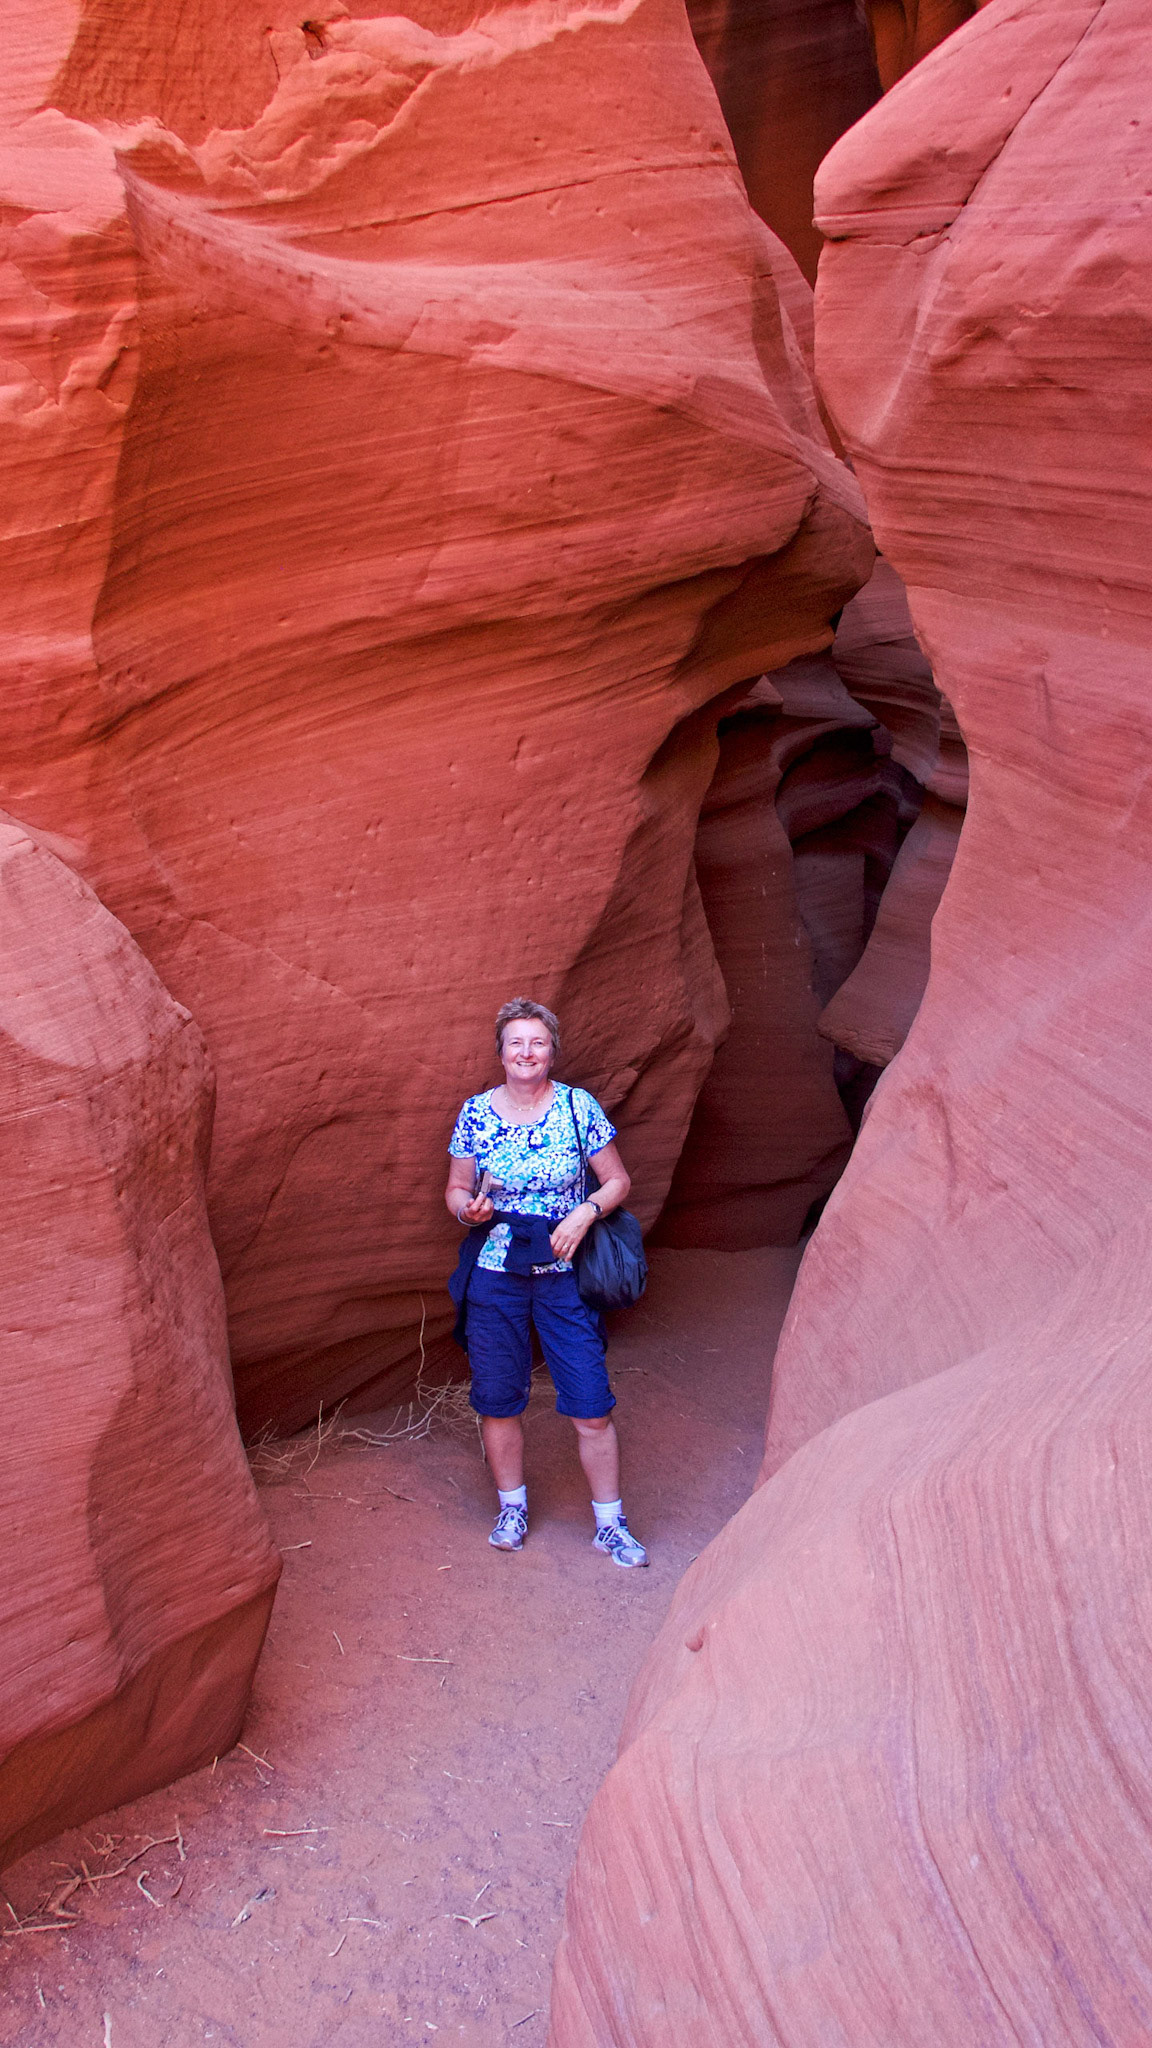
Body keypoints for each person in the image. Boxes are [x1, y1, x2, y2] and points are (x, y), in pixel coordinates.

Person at [444, 999, 648, 1567]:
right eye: (516, 1043)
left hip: (564, 1273)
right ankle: (512, 1508)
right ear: (501, 1052)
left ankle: (611, 1524)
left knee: (591, 1403)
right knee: (498, 1399)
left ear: (552, 1051)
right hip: (497, 1273)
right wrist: (471, 1213)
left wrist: (584, 1213)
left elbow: (617, 1180)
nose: (526, 1053)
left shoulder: (579, 1108)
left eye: (537, 1042)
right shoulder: (476, 1113)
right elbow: (456, 1190)